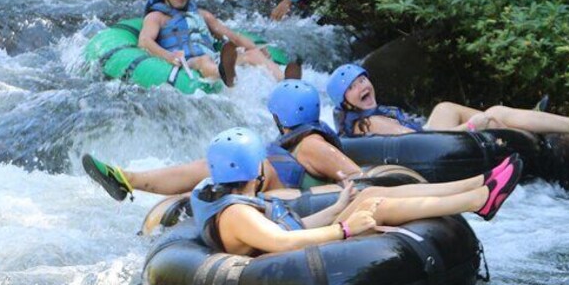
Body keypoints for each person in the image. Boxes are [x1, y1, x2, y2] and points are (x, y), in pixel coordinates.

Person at [192, 127, 523, 255]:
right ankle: (478, 201)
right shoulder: (235, 213)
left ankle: (477, 184)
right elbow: (282, 241)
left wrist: (337, 207)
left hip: (294, 247)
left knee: (366, 195)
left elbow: (290, 227)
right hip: (285, 264)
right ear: (254, 169)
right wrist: (345, 229)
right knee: (374, 204)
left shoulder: (236, 202)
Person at [82, 81, 365, 202]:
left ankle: (128, 179)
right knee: (207, 171)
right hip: (255, 185)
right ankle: (128, 180)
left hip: (273, 191)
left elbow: (357, 178)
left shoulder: (313, 144)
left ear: (281, 116)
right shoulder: (303, 141)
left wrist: (313, 198)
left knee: (208, 167)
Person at [326, 64, 569, 139]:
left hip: (427, 134)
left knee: (446, 107)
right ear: (346, 102)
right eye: (353, 87)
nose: (362, 86)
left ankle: (527, 121)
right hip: (432, 144)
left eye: (362, 80)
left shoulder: (369, 114)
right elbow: (416, 142)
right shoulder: (368, 123)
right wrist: (469, 128)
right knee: (491, 115)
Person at [141, 0, 291, 87]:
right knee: (203, 60)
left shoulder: (202, 15)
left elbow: (233, 37)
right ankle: (225, 75)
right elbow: (145, 41)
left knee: (253, 54)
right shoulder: (156, 17)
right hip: (188, 61)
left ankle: (287, 85)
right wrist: (168, 56)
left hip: (213, 59)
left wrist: (255, 48)